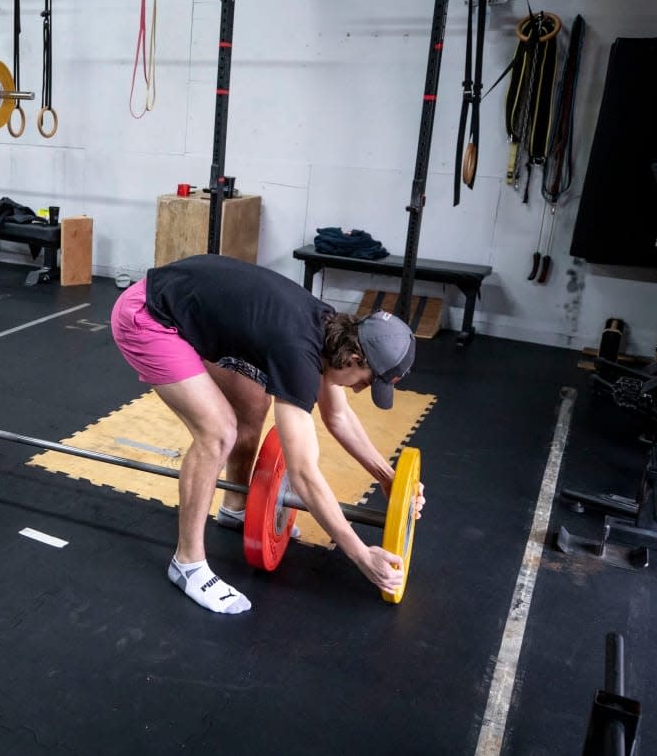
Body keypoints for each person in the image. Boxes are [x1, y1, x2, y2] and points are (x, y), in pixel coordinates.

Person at [111, 253, 424, 614]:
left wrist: (387, 478)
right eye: (365, 382)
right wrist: (360, 554)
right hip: (148, 317)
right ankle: (188, 563)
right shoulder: (298, 353)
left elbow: (337, 417)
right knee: (218, 433)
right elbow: (304, 477)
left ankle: (235, 508)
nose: (358, 390)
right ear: (354, 357)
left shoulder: (329, 330)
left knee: (254, 404)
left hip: (185, 304)